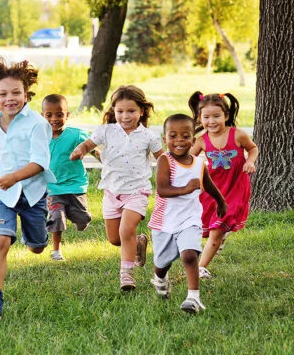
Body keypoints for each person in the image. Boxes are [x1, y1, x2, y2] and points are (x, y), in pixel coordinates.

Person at [0, 58, 56, 320]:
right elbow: (0, 142)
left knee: (37, 247)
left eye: (16, 93)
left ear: (26, 94)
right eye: (3, 94)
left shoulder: (37, 124)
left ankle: (37, 235)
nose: (10, 98)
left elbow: (40, 163)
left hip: (32, 193)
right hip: (2, 193)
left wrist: (13, 177)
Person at [70, 85, 163, 291]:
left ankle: (126, 275)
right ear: (113, 111)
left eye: (131, 111)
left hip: (137, 192)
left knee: (125, 229)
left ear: (141, 111)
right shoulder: (106, 131)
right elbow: (88, 144)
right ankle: (137, 242)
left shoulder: (148, 136)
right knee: (115, 239)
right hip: (111, 192)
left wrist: (173, 176)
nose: (125, 116)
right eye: (120, 111)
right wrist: (80, 150)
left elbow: (163, 159)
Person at [149, 114, 227, 313]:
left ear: (193, 140)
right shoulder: (165, 161)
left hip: (190, 219)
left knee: (189, 255)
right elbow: (163, 190)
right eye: (173, 136)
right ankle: (159, 277)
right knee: (162, 262)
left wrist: (220, 201)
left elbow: (208, 184)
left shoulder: (199, 163)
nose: (179, 141)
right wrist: (185, 189)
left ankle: (193, 298)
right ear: (165, 139)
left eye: (185, 136)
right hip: (164, 221)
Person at [188, 92, 258, 279]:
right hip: (213, 189)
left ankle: (200, 267)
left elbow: (253, 148)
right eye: (206, 117)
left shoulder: (237, 135)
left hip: (235, 188)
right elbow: (189, 159)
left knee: (217, 229)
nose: (212, 121)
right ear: (200, 118)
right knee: (209, 225)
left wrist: (250, 161)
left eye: (217, 116)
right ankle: (219, 237)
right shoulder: (202, 140)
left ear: (226, 116)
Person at [42, 94, 92, 261]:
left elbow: (93, 147)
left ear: (67, 115)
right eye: (49, 115)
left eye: (59, 114)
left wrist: (103, 158)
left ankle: (76, 216)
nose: (54, 119)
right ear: (43, 115)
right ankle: (56, 251)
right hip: (53, 187)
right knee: (56, 217)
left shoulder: (76, 135)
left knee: (82, 219)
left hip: (75, 186)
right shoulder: (40, 138)